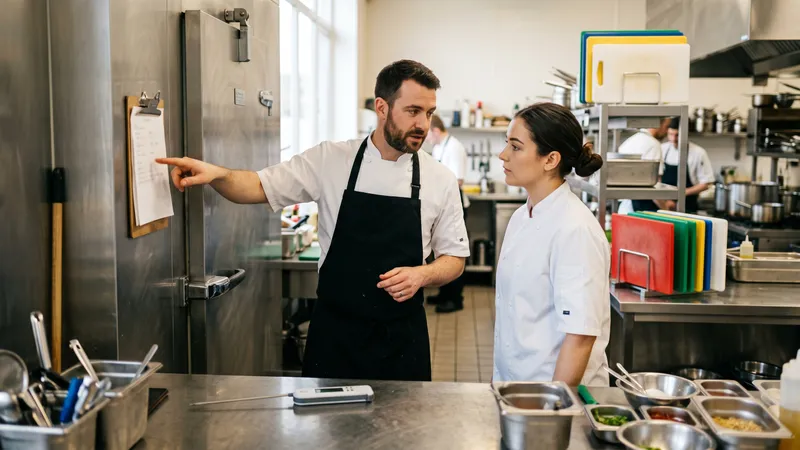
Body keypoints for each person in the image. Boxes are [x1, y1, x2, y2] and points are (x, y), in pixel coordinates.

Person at [157, 60, 470, 382]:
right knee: (327, 430)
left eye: (429, 113)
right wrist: (217, 175)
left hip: (402, 338)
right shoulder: (331, 160)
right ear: (382, 107)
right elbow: (256, 186)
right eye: (413, 110)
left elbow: (455, 259)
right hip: (336, 335)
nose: (422, 123)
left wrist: (424, 274)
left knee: (405, 429)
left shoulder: (440, 179)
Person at [493, 102, 610, 386]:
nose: (503, 155)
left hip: (556, 398)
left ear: (550, 159)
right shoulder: (522, 217)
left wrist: (553, 409)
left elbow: (579, 337)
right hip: (515, 389)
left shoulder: (574, 229)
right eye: (506, 144)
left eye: (516, 147)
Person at [426, 114, 469, 313]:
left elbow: (457, 181)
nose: (428, 140)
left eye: (429, 135)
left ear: (435, 130)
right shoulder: (438, 147)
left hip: (455, 205)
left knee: (453, 253)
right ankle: (444, 294)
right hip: (439, 205)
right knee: (440, 254)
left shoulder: (455, 147)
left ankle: (454, 299)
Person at [616, 118, 672, 213]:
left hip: (624, 207)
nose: (666, 131)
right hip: (643, 210)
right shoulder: (654, 144)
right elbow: (655, 186)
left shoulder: (631, 141)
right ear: (658, 124)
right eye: (666, 127)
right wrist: (666, 209)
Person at [661, 117, 715, 213]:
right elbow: (657, 180)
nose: (673, 139)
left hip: (688, 207)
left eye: (677, 135)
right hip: (665, 207)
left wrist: (681, 194)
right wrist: (666, 200)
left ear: (686, 134)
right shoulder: (662, 149)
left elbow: (706, 183)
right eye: (670, 134)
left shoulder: (699, 152)